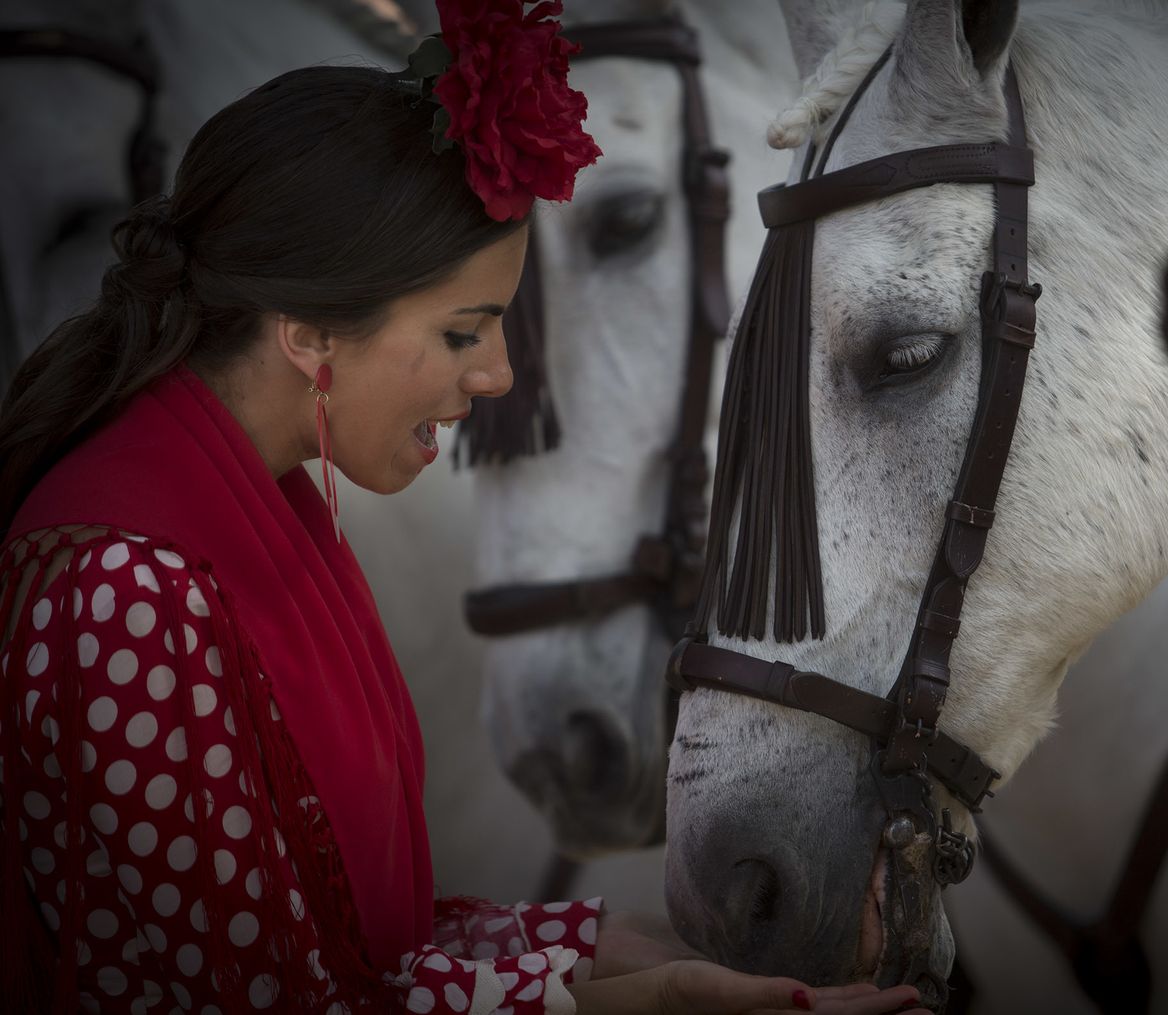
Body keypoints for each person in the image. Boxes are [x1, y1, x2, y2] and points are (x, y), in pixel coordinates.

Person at [0, 2, 931, 1013]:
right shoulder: (128, 588)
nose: (497, 375)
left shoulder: (242, 516)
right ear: (311, 335)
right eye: (462, 332)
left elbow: (343, 944)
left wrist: (621, 948)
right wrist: (646, 1002)